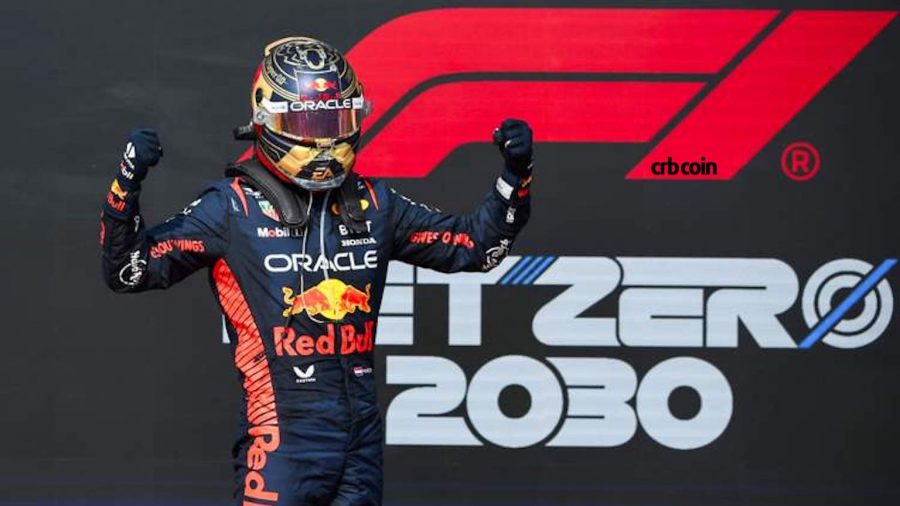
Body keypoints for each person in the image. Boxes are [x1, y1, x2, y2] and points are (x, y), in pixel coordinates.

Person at [99, 37, 533, 506]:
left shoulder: (376, 203)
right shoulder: (230, 207)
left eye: (336, 121)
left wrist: (515, 176)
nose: (325, 139)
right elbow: (128, 270)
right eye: (309, 122)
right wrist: (126, 188)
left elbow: (476, 248)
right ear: (267, 119)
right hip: (283, 438)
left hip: (360, 438)